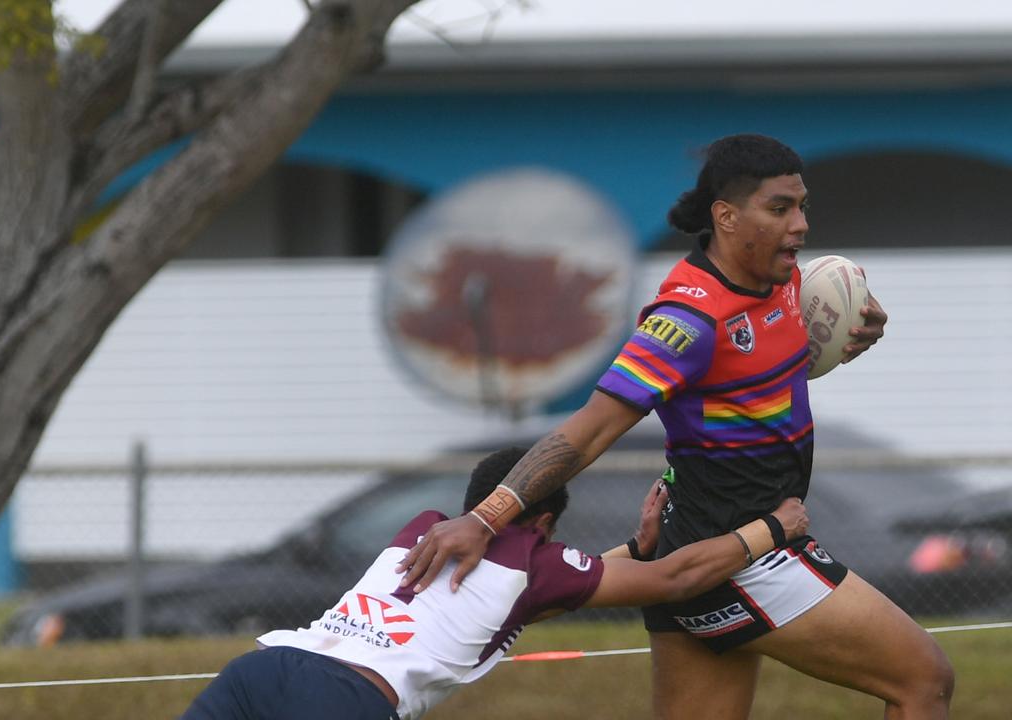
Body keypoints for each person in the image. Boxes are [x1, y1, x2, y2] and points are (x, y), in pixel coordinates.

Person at [397, 134, 955, 719]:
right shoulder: (687, 321)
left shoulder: (786, 284)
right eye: (779, 208)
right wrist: (486, 519)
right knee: (924, 681)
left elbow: (748, 386)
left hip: (695, 553)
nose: (800, 226)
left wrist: (844, 342)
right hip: (741, 553)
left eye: (802, 206)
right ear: (726, 216)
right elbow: (588, 429)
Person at [180, 447, 810, 720]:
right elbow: (675, 579)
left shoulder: (423, 527)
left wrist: (636, 547)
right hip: (341, 703)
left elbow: (501, 607)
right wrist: (773, 528)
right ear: (539, 521)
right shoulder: (534, 563)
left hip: (260, 670)